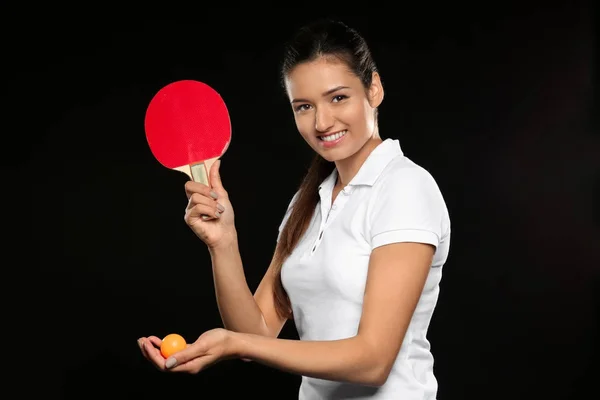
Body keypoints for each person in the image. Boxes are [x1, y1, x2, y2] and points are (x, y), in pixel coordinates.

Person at [138, 18, 451, 400]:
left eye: (338, 97)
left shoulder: (404, 187)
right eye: (303, 106)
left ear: (374, 88)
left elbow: (373, 360)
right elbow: (257, 331)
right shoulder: (310, 200)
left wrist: (237, 345)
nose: (321, 122)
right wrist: (223, 243)